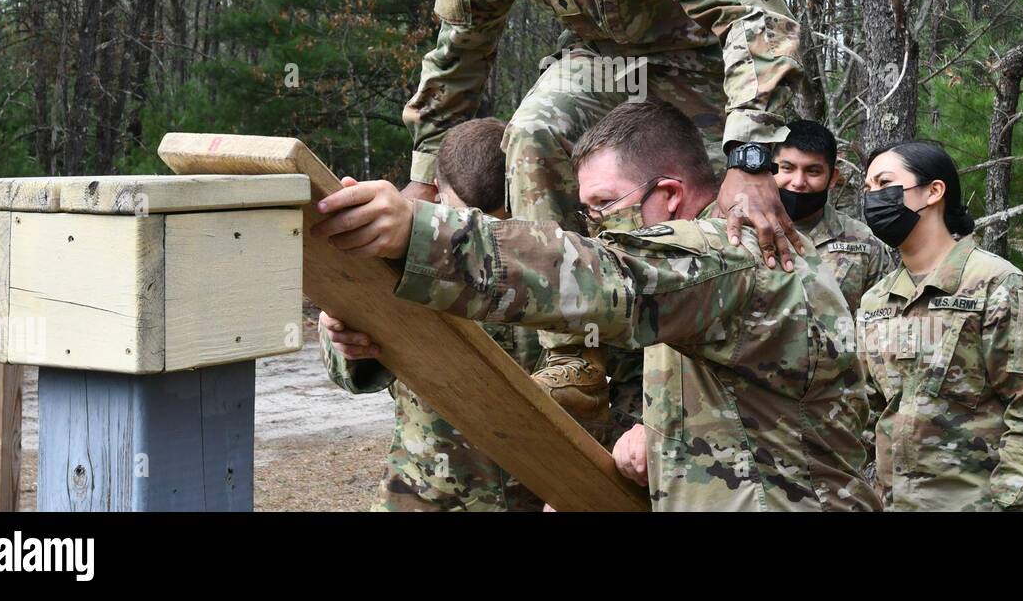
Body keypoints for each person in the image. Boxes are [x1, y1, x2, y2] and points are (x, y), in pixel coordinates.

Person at [400, 0, 806, 433]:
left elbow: (755, 16)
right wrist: (419, 179)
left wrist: (753, 157)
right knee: (530, 132)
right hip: (603, 66)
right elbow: (457, 56)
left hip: (697, 64)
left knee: (712, 207)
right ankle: (572, 358)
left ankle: (716, 377)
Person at [312, 100, 880, 512]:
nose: (598, 228)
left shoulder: (726, 255)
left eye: (605, 206)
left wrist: (417, 233)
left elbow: (603, 276)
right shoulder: (706, 276)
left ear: (671, 194)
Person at [318, 118, 547, 511]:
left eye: (498, 224)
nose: (480, 237)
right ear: (437, 195)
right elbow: (353, 373)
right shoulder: (401, 259)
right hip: (425, 493)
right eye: (462, 222)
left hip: (540, 494)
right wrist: (343, 340)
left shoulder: (559, 262)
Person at [857, 139, 1023, 511]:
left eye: (885, 184)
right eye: (868, 189)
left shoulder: (995, 284)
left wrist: (1013, 505)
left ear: (933, 191)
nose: (873, 198)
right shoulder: (877, 300)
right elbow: (868, 412)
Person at [773, 120, 890, 315]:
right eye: (787, 168)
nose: (798, 182)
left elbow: (882, 325)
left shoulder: (864, 243)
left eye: (813, 171)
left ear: (833, 178)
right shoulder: (744, 230)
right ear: (770, 169)